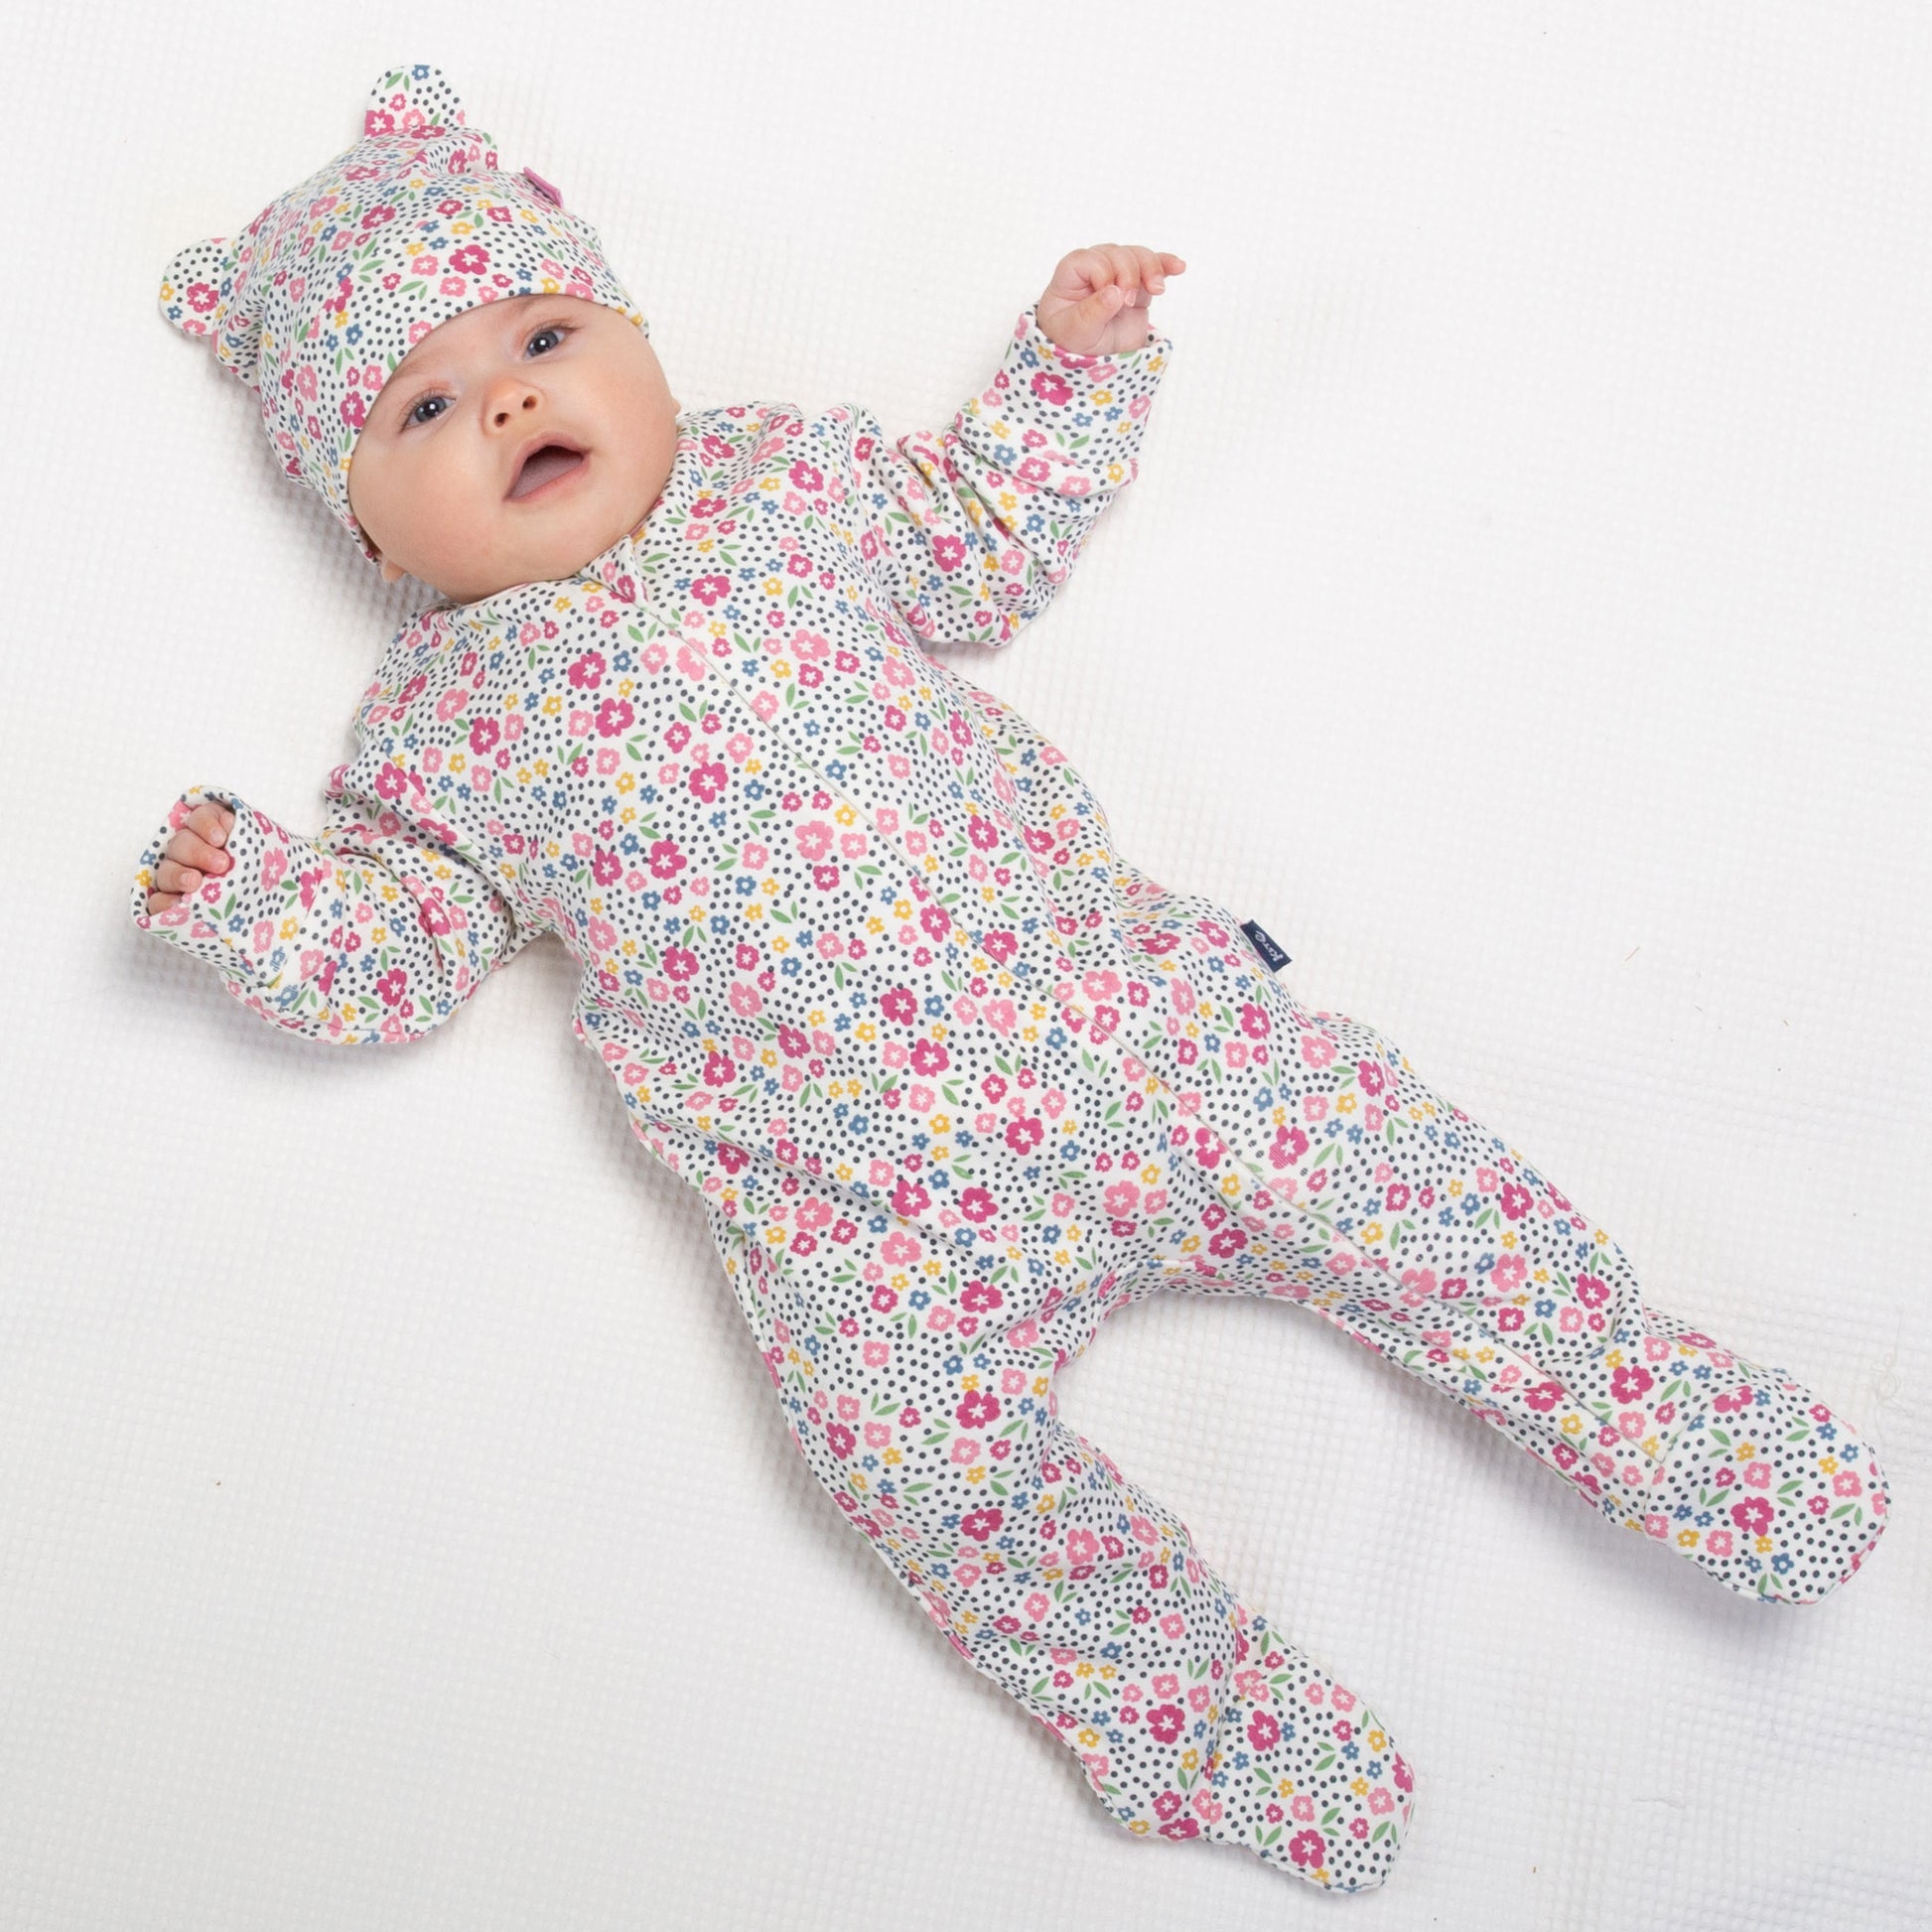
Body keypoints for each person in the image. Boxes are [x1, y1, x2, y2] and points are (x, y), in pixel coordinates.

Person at [136, 64, 1889, 1894]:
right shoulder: (436, 731)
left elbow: (980, 534)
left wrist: (1068, 365)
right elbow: (402, 952)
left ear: (641, 344)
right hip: (867, 1217)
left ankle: (1695, 1438)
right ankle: (1207, 1725)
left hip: (1132, 1039)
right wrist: (260, 903)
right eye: (422, 406)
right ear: (365, 528)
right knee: (911, 1469)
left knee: (1418, 1192)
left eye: (545, 335)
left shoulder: (782, 482)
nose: (506, 396)